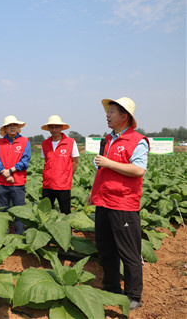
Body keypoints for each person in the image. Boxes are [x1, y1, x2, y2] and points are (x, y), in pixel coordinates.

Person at [88, 97, 149, 310]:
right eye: (108, 111)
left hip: (123, 204)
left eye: (111, 111)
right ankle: (111, 286)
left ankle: (134, 295)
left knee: (129, 251)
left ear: (124, 116)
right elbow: (102, 170)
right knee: (106, 248)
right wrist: (92, 192)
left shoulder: (137, 140)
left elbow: (139, 169)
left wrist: (109, 163)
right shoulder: (108, 139)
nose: (107, 115)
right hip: (103, 201)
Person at [0, 115, 31, 234]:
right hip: (2, 183)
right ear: (5, 128)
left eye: (14, 125)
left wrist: (10, 171)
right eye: (9, 125)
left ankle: (19, 236)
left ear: (18, 127)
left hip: (18, 183)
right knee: (2, 212)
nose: (12, 127)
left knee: (19, 212)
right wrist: (5, 174)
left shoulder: (25, 141)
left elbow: (25, 162)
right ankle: (3, 236)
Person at [40, 115, 79, 214]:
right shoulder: (45, 143)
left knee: (65, 212)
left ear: (61, 127)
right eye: (52, 127)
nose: (54, 129)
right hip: (47, 185)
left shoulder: (70, 142)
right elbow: (46, 162)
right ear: (48, 129)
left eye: (56, 127)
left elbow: (75, 162)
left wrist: (67, 176)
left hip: (63, 186)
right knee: (46, 213)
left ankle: (66, 230)